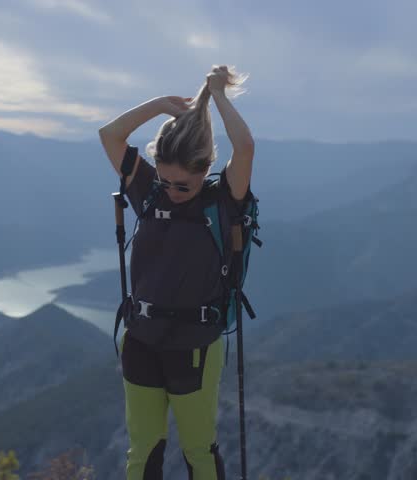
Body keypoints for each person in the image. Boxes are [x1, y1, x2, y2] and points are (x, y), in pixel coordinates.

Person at [98, 65, 255, 480]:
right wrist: (158, 106)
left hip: (196, 347)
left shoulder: (223, 200)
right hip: (142, 340)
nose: (171, 190)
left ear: (205, 170)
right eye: (165, 180)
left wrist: (216, 95)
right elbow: (109, 135)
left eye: (182, 185)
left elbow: (245, 147)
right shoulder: (148, 190)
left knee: (198, 452)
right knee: (143, 450)